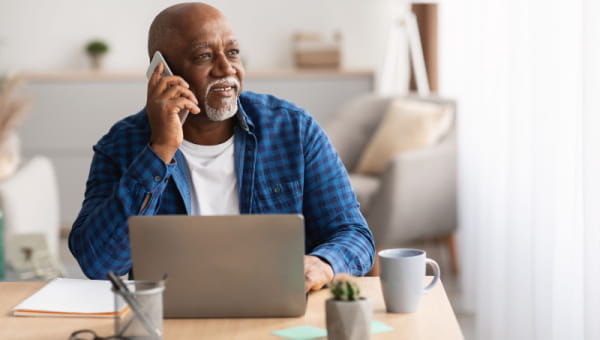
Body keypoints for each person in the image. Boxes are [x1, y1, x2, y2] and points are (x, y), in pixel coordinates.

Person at [68, 2, 374, 293]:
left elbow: (354, 235)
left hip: (277, 312)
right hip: (167, 321)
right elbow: (98, 264)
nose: (226, 68)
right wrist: (159, 150)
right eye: (204, 56)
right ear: (162, 72)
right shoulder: (121, 145)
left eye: (233, 52)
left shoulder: (293, 129)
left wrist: (324, 264)